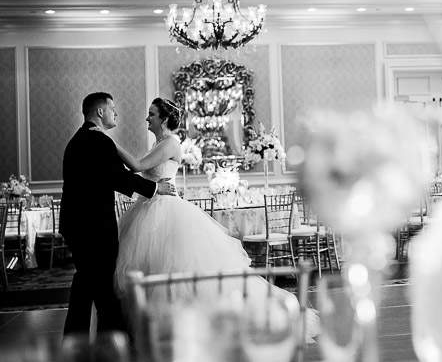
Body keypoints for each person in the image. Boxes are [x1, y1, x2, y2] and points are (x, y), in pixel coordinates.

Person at [109, 97, 319, 341]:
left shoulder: (170, 143)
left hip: (165, 210)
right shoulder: (159, 143)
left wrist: (110, 143)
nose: (147, 118)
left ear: (164, 120)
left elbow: (136, 166)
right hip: (150, 206)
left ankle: (179, 327)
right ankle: (158, 326)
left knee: (174, 267)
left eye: (152, 114)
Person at [60, 92, 173, 337]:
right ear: (100, 112)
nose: (116, 113)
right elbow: (118, 177)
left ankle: (85, 339)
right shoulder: (97, 140)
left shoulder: (80, 139)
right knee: (100, 286)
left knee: (88, 284)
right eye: (112, 108)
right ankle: (114, 340)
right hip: (92, 228)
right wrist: (155, 188)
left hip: (78, 225)